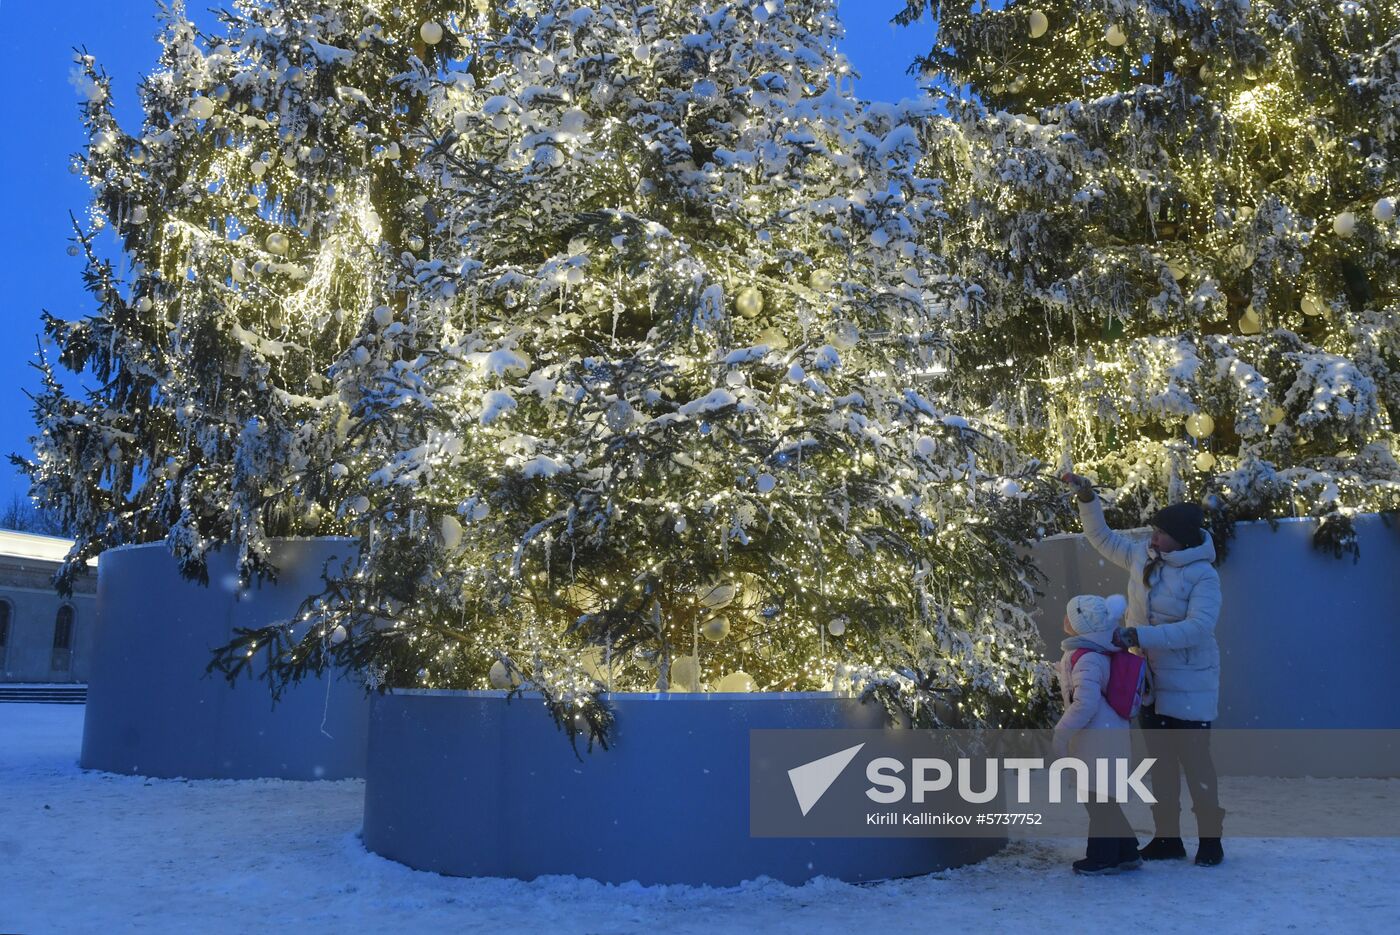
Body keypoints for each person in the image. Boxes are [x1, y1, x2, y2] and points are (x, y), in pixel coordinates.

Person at [1060, 471, 1225, 866]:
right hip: (1147, 682)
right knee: (1160, 766)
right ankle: (1168, 839)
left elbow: (1198, 628)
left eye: (1161, 533)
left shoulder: (1203, 575)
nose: (1153, 537)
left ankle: (1211, 841)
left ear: (1182, 539)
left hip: (1190, 685)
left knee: (1196, 764)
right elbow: (1102, 538)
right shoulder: (1143, 556)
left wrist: (1139, 635)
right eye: (1153, 530)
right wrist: (1087, 499)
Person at [1053, 592, 1141, 875]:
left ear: (1082, 624)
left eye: (1070, 615)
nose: (1065, 620)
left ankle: (1102, 857)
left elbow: (1085, 702)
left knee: (1097, 800)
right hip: (1107, 734)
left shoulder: (1088, 656)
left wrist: (1062, 732)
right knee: (1104, 799)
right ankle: (1127, 851)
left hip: (1097, 738)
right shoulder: (1096, 650)